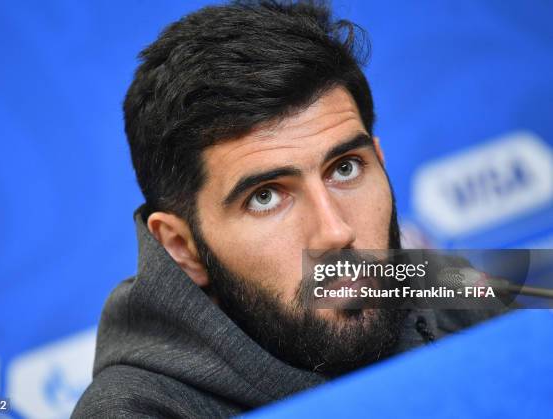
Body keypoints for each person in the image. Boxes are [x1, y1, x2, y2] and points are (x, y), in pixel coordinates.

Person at [72, 1, 498, 417]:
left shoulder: (460, 291)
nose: (334, 232)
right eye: (266, 197)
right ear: (182, 248)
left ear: (381, 163)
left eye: (345, 169)